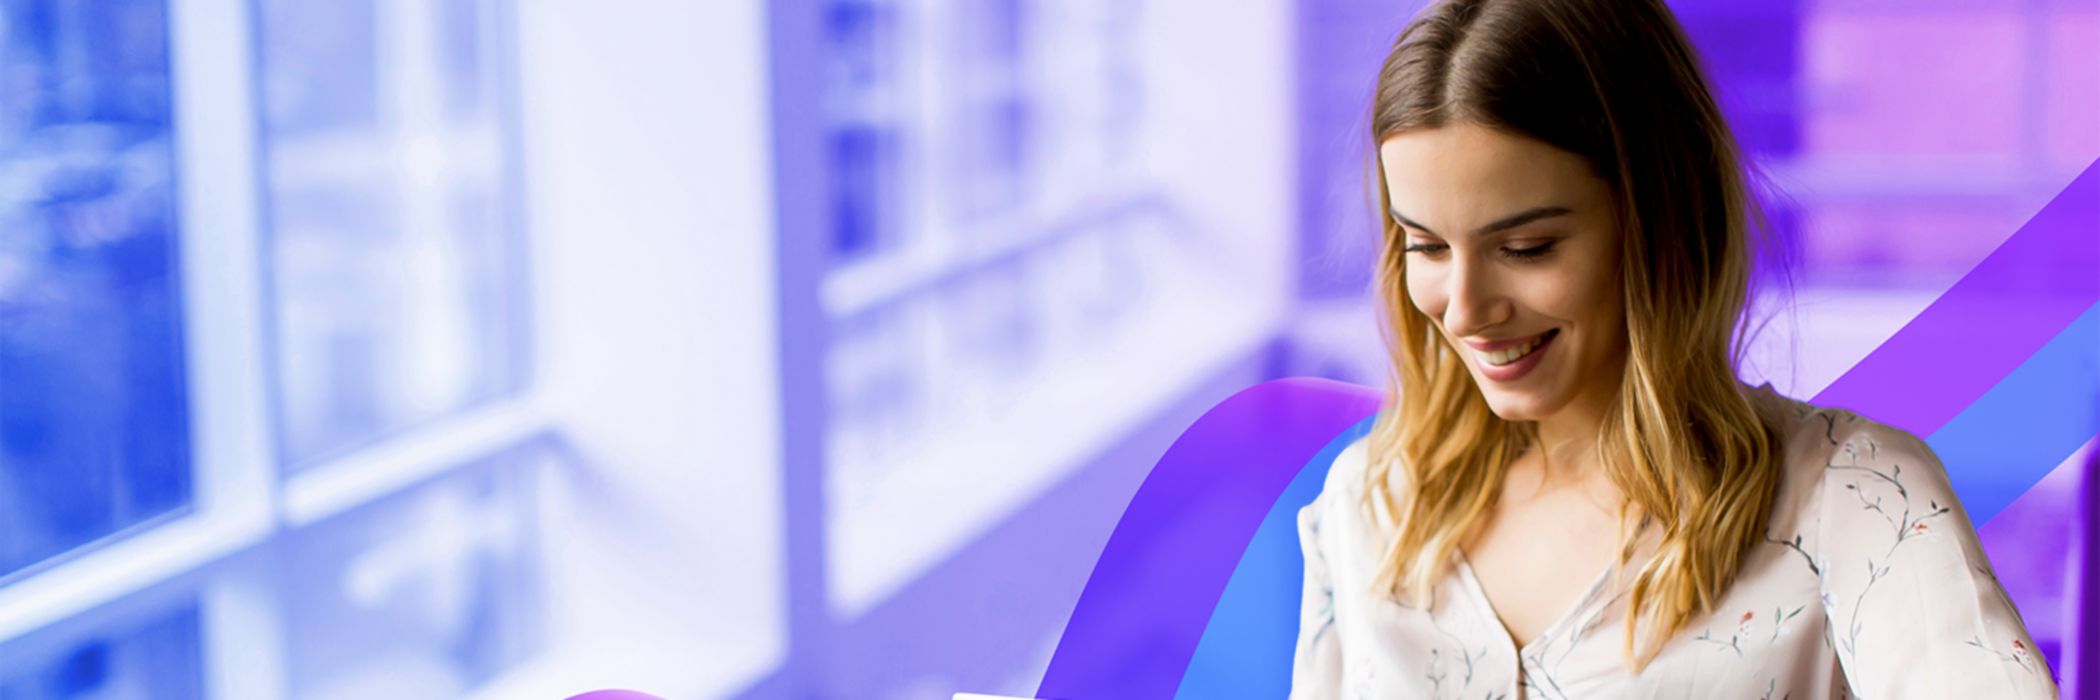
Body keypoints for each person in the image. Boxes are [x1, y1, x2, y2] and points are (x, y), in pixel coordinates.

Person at [1289, 0, 2059, 697]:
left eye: (1526, 248)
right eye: (1426, 246)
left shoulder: (1854, 501)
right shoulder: (1366, 506)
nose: (1464, 310)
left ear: (1660, 220)